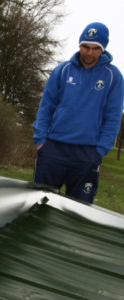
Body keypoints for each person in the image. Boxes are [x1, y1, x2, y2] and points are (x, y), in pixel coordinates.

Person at [33, 22, 124, 203]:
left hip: (87, 153)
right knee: (40, 203)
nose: (89, 53)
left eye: (95, 48)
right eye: (85, 46)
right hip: (54, 149)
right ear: (79, 45)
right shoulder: (62, 70)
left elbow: (113, 117)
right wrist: (41, 140)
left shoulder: (113, 76)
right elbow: (46, 107)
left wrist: (100, 150)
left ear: (103, 48)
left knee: (79, 209)